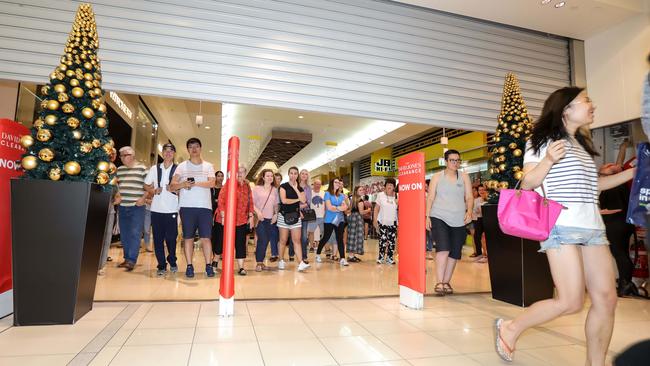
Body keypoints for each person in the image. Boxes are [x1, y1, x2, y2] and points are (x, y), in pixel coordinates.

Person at [494, 87, 635, 365]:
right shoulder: (542, 139)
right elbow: (529, 183)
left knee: (606, 299)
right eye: (586, 101)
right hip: (561, 226)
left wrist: (634, 172)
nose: (592, 105)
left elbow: (595, 186)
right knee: (570, 301)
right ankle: (511, 328)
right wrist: (548, 160)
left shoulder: (582, 145)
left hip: (593, 228)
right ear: (566, 109)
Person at [426, 149, 473, 295]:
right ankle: (439, 282)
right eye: (452, 160)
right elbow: (431, 197)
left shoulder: (464, 177)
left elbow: (470, 197)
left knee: (454, 252)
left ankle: (446, 282)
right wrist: (427, 216)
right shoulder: (437, 177)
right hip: (439, 216)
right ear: (446, 161)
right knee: (443, 248)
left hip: (459, 219)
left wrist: (469, 211)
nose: (455, 163)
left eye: (458, 160)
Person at [169, 138, 216, 278]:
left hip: (205, 208)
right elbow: (172, 185)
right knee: (188, 237)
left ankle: (209, 266)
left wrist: (195, 183)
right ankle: (189, 266)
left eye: (196, 146)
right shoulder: (181, 166)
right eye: (191, 147)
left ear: (200, 148)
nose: (194, 149)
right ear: (188, 150)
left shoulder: (208, 166)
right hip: (187, 207)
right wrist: (183, 184)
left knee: (206, 238)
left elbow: (212, 183)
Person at [599, 163, 638, 297]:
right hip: (622, 224)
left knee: (620, 254)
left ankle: (625, 285)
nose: (600, 176)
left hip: (616, 224)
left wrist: (596, 212)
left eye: (602, 174)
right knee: (622, 254)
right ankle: (625, 284)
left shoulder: (613, 187)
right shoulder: (619, 184)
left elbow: (616, 208)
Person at [144, 143, 179, 277]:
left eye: (171, 151)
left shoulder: (178, 169)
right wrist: (153, 190)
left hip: (172, 210)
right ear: (162, 153)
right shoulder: (154, 169)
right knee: (158, 239)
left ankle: (172, 259)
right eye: (165, 151)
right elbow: (146, 185)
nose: (168, 153)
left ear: (174, 153)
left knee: (171, 238)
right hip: (156, 209)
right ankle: (161, 265)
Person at [115, 146, 148, 271]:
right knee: (124, 234)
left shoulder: (142, 169)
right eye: (121, 155)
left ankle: (132, 260)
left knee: (135, 233)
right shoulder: (119, 170)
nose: (122, 158)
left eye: (125, 155)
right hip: (123, 206)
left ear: (132, 155)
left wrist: (143, 198)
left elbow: (149, 186)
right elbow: (117, 185)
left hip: (137, 207)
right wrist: (117, 194)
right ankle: (127, 258)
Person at [217, 166, 255, 275]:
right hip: (228, 219)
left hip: (242, 220)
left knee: (240, 243)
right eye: (238, 172)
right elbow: (221, 200)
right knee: (224, 243)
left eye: (242, 172)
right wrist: (223, 216)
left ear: (245, 173)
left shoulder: (247, 186)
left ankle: (241, 267)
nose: (240, 174)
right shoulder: (229, 184)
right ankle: (220, 264)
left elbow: (250, 202)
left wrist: (251, 216)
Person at [277, 167, 309, 271]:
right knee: (283, 240)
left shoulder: (299, 188)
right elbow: (284, 200)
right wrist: (297, 199)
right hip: (283, 215)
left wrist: (295, 189)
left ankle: (300, 263)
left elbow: (304, 200)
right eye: (291, 173)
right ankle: (281, 260)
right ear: (288, 174)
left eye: (295, 173)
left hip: (296, 216)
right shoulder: (283, 186)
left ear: (297, 175)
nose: (293, 175)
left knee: (297, 240)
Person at [316, 177, 349, 266]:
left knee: (340, 239)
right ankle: (318, 254)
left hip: (340, 219)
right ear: (332, 183)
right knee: (326, 237)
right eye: (336, 182)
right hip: (329, 220)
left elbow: (345, 207)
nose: (338, 184)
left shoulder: (342, 195)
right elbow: (329, 207)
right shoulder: (327, 194)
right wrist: (339, 208)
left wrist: (337, 208)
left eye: (339, 182)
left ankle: (342, 258)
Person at [253, 169, 279, 272]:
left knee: (267, 240)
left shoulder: (275, 190)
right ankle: (259, 262)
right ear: (263, 177)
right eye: (267, 176)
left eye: (271, 176)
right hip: (260, 218)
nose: (270, 178)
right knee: (262, 239)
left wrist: (276, 214)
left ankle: (261, 262)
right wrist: (258, 212)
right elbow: (252, 203)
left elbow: (276, 204)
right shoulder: (256, 189)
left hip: (271, 219)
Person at [98, 148, 118, 275]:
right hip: (99, 208)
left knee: (107, 237)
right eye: (110, 153)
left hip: (110, 209)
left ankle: (101, 265)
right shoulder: (98, 167)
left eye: (113, 154)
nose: (112, 155)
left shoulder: (113, 169)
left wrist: (118, 195)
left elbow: (116, 187)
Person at [374, 178, 398, 265]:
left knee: (392, 241)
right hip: (382, 221)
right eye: (388, 184)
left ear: (394, 187)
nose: (389, 186)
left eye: (391, 185)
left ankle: (390, 258)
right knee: (382, 240)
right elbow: (376, 209)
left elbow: (400, 210)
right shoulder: (380, 195)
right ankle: (380, 257)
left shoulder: (397, 196)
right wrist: (375, 220)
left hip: (393, 222)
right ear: (385, 186)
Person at [347, 185, 370, 262]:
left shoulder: (353, 199)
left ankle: (351, 255)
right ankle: (351, 256)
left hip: (352, 218)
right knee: (357, 236)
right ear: (356, 191)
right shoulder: (360, 200)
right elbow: (361, 212)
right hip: (357, 218)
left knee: (352, 236)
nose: (362, 191)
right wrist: (368, 210)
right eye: (360, 190)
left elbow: (349, 210)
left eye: (362, 190)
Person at [210, 170, 224, 268]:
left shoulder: (225, 189)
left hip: (220, 216)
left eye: (221, 176)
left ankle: (216, 255)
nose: (220, 178)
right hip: (210, 215)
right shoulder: (211, 189)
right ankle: (214, 254)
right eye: (218, 176)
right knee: (212, 237)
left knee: (219, 236)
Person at [268, 172, 283, 262]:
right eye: (276, 178)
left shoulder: (283, 188)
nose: (277, 180)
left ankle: (280, 253)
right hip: (272, 215)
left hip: (282, 215)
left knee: (281, 236)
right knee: (273, 235)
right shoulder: (271, 189)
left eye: (279, 178)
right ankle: (274, 254)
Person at [307, 179, 325, 252]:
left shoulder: (323, 193)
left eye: (319, 184)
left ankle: (323, 246)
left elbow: (326, 204)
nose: (318, 185)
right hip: (312, 216)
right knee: (311, 231)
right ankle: (311, 246)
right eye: (316, 184)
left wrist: (325, 213)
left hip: (322, 216)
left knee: (324, 232)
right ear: (313, 184)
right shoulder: (310, 193)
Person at [299, 169, 313, 260]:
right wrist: (297, 207)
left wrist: (301, 206)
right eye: (302, 174)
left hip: (304, 213)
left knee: (304, 236)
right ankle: (292, 253)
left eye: (306, 174)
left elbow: (308, 201)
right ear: (299, 175)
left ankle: (304, 256)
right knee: (294, 235)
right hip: (294, 213)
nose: (304, 175)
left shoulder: (308, 188)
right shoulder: (295, 185)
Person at [472, 185, 488, 263]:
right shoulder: (476, 200)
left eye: (483, 190)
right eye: (479, 190)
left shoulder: (490, 198)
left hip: (488, 219)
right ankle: (479, 254)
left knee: (486, 238)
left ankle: (486, 255)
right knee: (476, 237)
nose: (481, 191)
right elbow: (475, 210)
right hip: (479, 219)